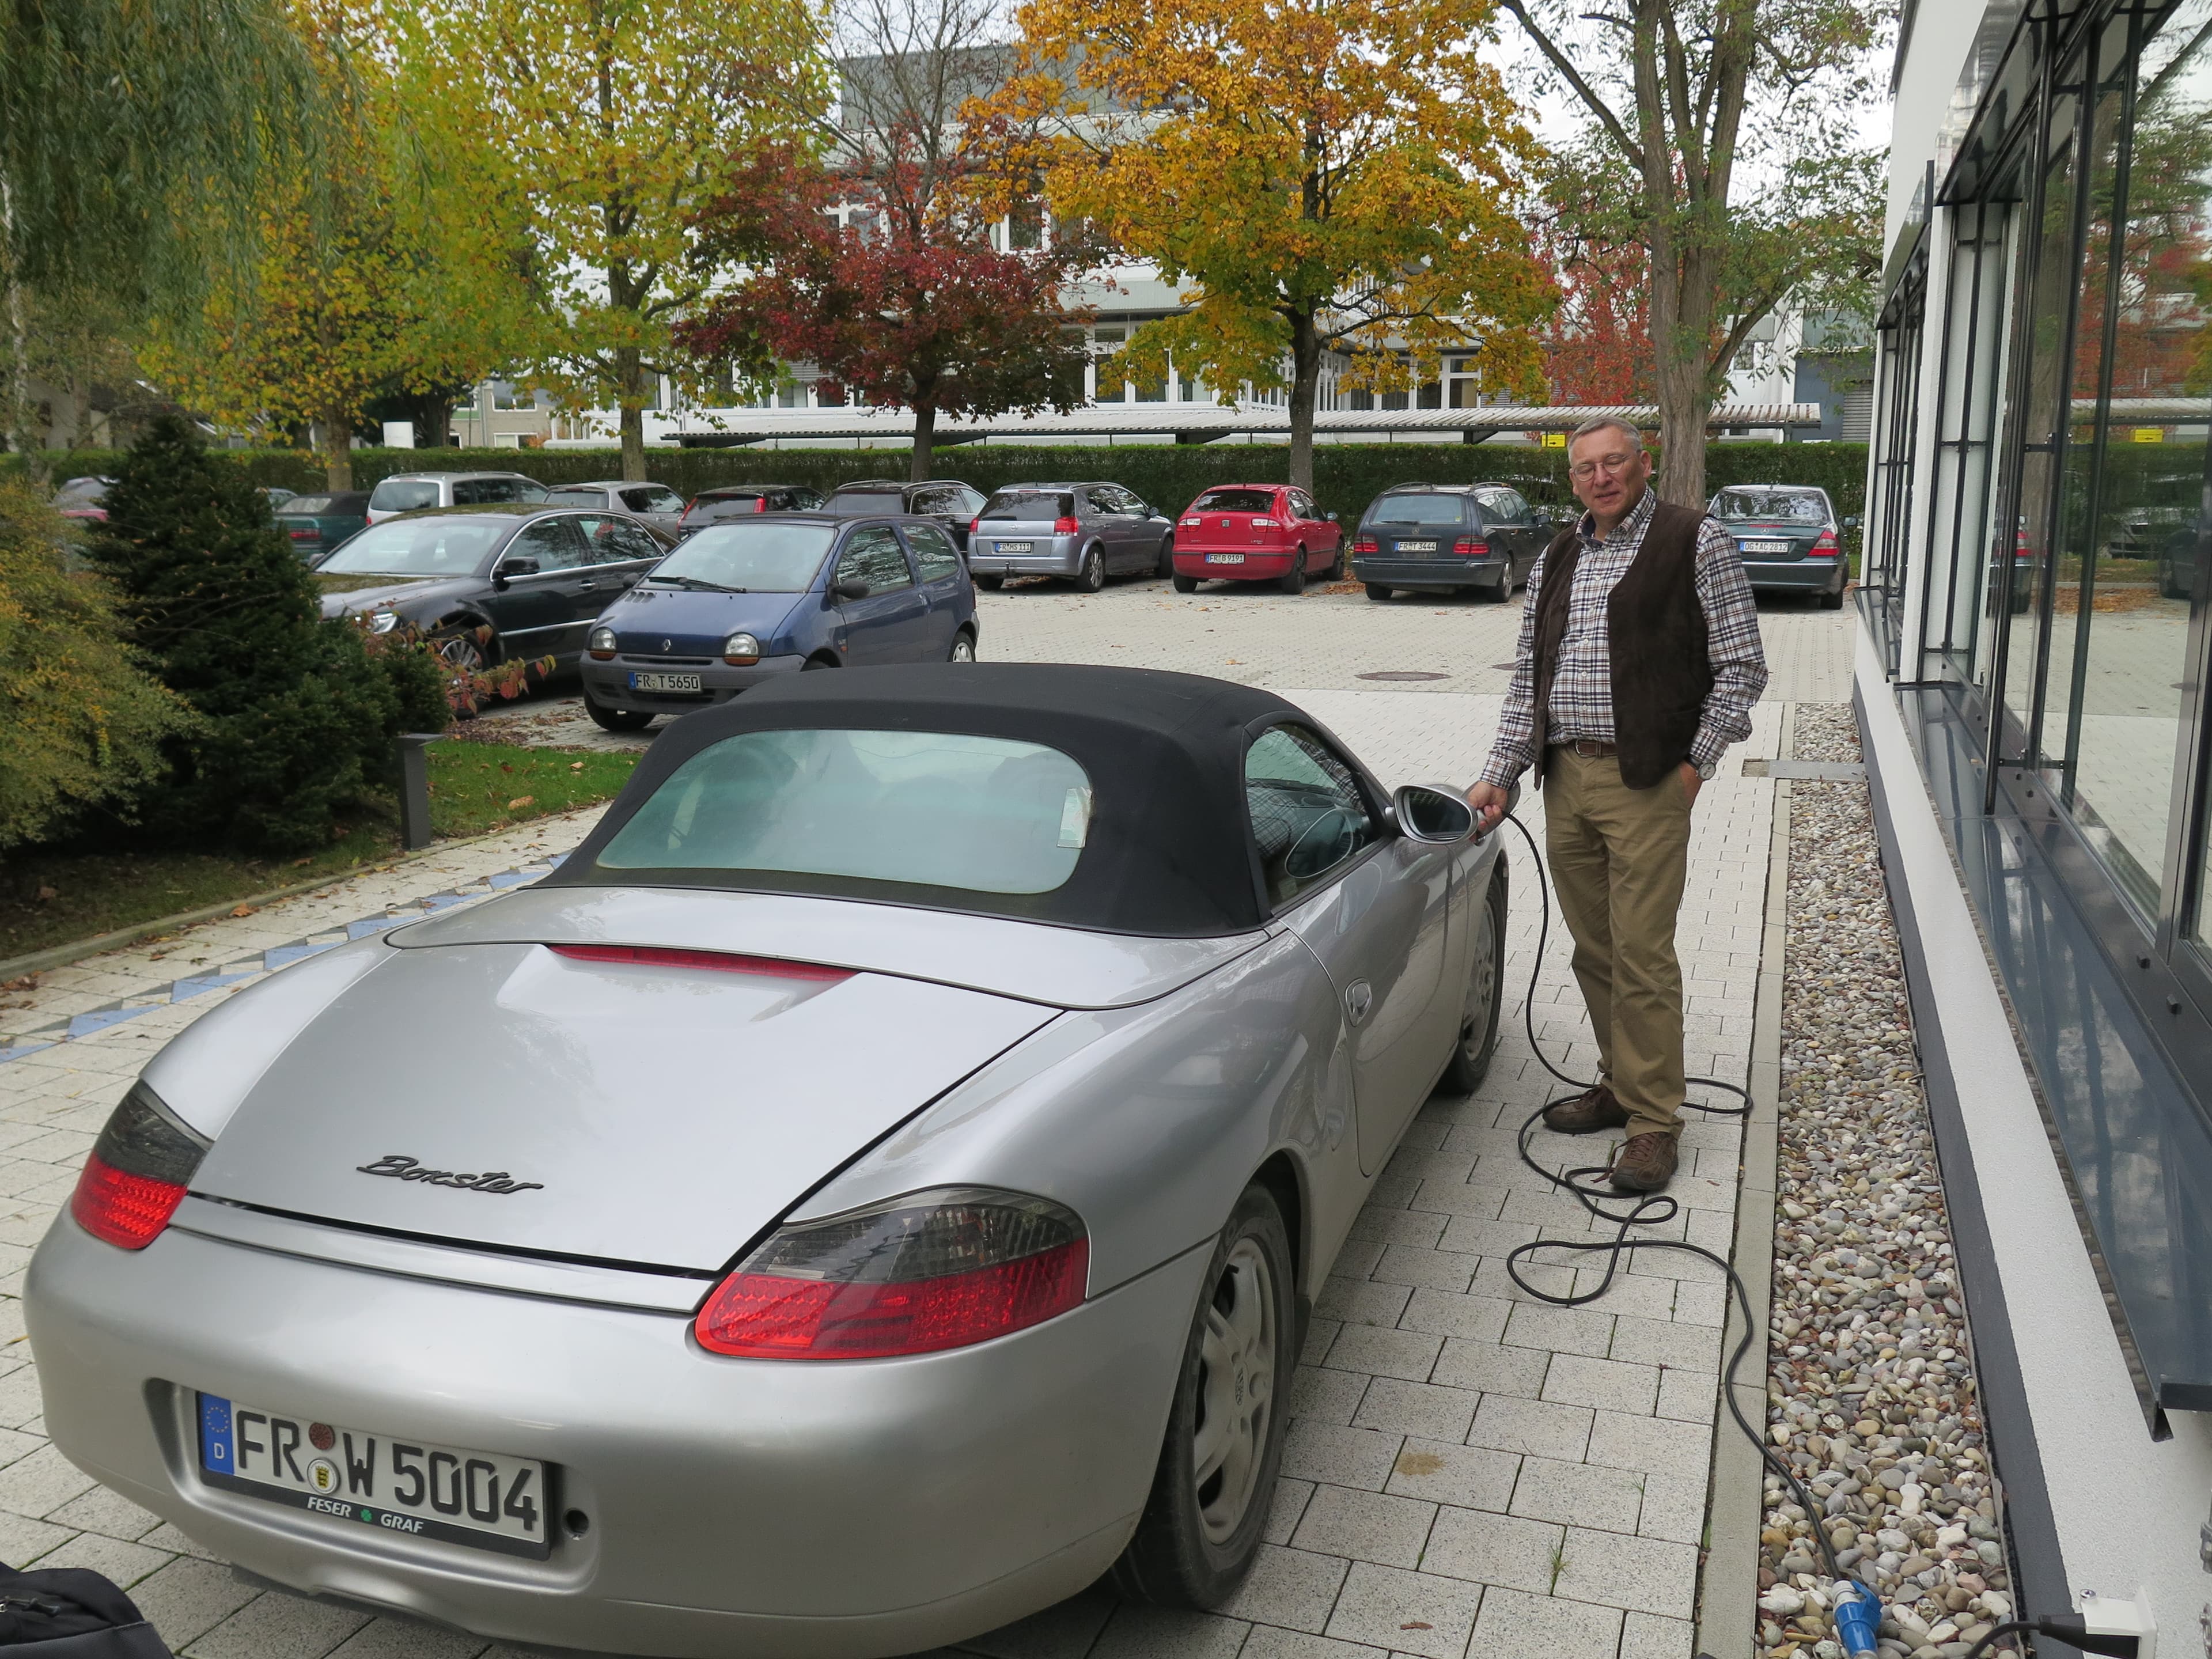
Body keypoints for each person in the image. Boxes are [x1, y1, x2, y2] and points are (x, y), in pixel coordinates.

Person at [1465, 417, 1768, 1192]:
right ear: (1572, 481)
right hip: (1565, 777)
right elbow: (1530, 669)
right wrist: (1502, 769)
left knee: (1642, 955)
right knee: (1594, 950)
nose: (1601, 478)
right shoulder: (1560, 554)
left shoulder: (1695, 541)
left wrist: (1695, 766)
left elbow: (1742, 667)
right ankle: (1618, 1083)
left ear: (1643, 464)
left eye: (1614, 462)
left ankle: (1655, 1122)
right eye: (1585, 469)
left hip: (1648, 782)